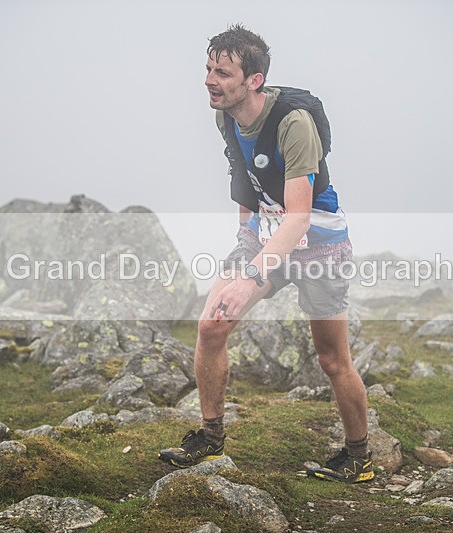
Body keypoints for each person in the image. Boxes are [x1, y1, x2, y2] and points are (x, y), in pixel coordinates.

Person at [158, 24, 373, 483]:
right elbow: (245, 181)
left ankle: (359, 456)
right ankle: (211, 440)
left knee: (332, 359)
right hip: (265, 236)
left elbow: (299, 217)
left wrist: (251, 277)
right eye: (208, 69)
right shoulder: (226, 117)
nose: (210, 80)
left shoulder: (294, 124)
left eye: (223, 73)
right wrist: (245, 239)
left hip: (320, 246)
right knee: (211, 326)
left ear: (254, 80)